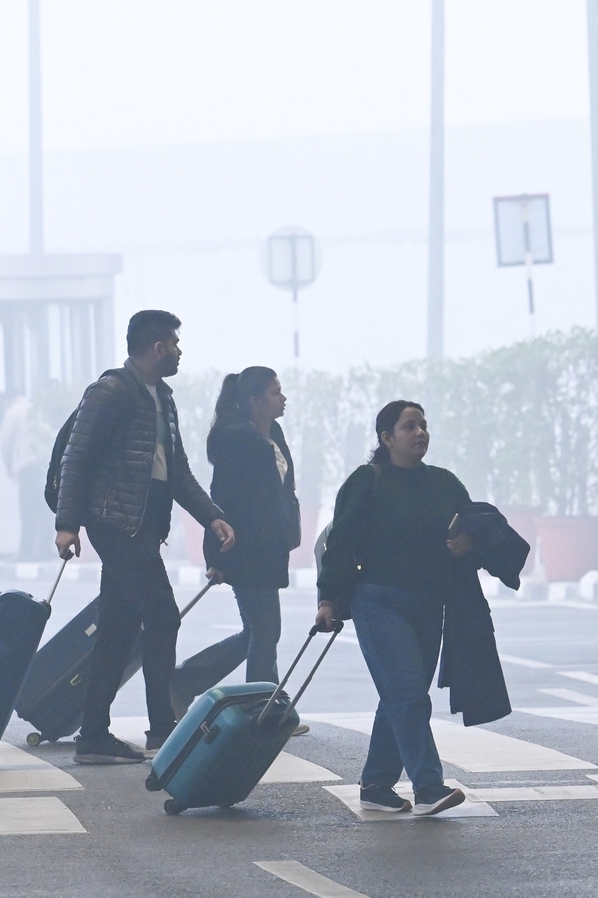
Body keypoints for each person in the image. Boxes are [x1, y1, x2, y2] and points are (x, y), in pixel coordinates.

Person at [54, 310, 235, 764]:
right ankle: (163, 729)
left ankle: (93, 735)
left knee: (117, 630)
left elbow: (177, 471)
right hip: (116, 524)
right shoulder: (111, 391)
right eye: (175, 343)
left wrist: (211, 516)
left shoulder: (162, 398)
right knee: (163, 615)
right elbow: (77, 459)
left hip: (144, 528)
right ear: (157, 347)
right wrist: (67, 523)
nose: (179, 351)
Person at [315, 401, 471, 817]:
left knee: (403, 694)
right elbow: (341, 543)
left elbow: (471, 525)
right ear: (386, 438)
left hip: (428, 603)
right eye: (409, 427)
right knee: (406, 693)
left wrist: (467, 542)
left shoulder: (444, 483)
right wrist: (328, 599)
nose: (419, 432)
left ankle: (378, 785)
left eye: (423, 425)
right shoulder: (367, 481)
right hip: (378, 602)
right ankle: (429, 787)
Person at [169, 366, 308, 736]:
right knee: (266, 629)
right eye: (276, 392)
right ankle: (264, 710)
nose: (283, 398)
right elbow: (223, 499)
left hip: (270, 547)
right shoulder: (237, 440)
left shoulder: (272, 433)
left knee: (257, 632)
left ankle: (184, 682)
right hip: (244, 548)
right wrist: (216, 557)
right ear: (254, 402)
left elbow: (283, 490)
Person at [0, 394, 50, 559]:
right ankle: (45, 551)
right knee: (44, 511)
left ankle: (26, 552)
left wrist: (8, 465)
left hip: (27, 467)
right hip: (44, 466)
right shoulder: (36, 409)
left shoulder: (13, 413)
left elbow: (5, 442)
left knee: (28, 511)